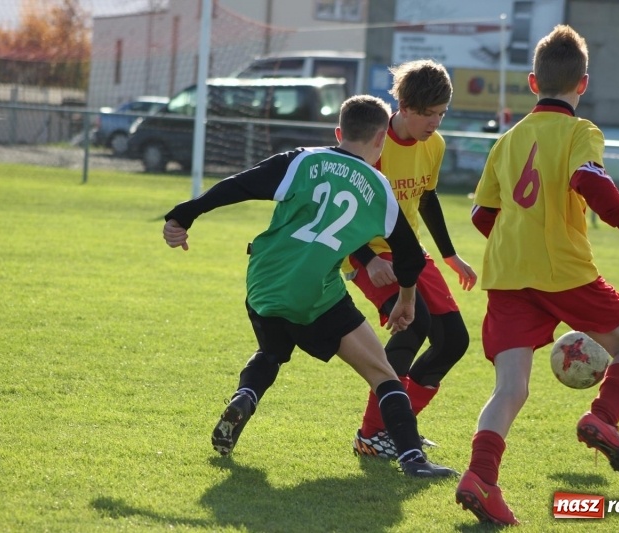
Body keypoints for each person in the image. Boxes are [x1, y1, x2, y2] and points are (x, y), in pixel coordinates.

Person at [162, 94, 455, 478]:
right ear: (381, 139)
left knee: (273, 349)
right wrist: (406, 301)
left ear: (339, 132)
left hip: (264, 279)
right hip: (316, 293)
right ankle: (413, 460)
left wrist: (185, 214)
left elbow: (238, 186)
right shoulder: (379, 187)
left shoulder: (302, 159)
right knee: (383, 374)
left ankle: (245, 396)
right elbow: (410, 257)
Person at [455, 25, 619, 525]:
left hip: (508, 275)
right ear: (584, 84)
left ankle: (480, 478)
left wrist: (518, 246)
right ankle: (602, 418)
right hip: (564, 271)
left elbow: (482, 215)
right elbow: (588, 181)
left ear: (533, 83)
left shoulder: (507, 140)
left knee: (509, 389)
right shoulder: (581, 132)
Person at [345, 59, 477, 460]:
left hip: (410, 255)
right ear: (402, 106)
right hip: (367, 255)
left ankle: (401, 428)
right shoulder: (374, 144)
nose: (433, 123)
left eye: (440, 113)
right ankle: (372, 435)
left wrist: (450, 256)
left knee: (454, 340)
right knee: (413, 325)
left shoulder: (433, 145)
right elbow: (345, 209)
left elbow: (427, 197)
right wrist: (367, 259)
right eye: (425, 114)